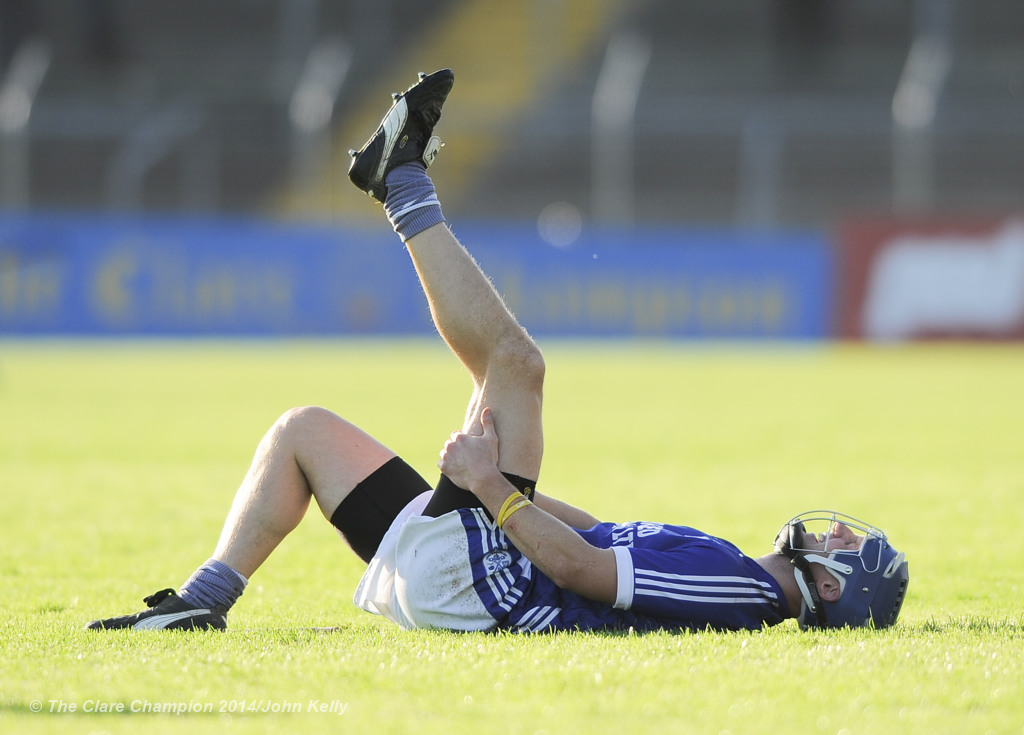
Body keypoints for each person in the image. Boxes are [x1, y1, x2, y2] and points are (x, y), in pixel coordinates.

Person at [87, 69, 909, 634]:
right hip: (483, 573)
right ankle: (199, 601)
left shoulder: (747, 588)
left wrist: (491, 486)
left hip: (498, 590)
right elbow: (597, 532)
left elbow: (588, 573)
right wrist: (503, 487)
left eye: (847, 547)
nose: (837, 532)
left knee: (517, 366)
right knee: (304, 431)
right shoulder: (734, 564)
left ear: (831, 587)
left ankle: (401, 180)